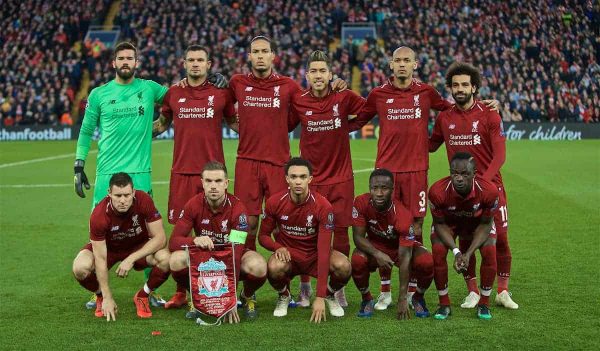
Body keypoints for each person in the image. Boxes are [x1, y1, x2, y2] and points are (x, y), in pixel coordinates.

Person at [73, 42, 169, 309]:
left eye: (130, 58)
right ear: (113, 63)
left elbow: (178, 98)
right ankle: (101, 293)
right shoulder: (99, 94)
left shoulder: (149, 89)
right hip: (106, 175)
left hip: (140, 175)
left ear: (136, 62)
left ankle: (149, 292)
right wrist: (79, 164)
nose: (126, 62)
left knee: (152, 235)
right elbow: (85, 131)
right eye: (121, 58)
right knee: (101, 232)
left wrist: (209, 83)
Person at [152, 45, 238, 308]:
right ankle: (182, 291)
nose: (196, 64)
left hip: (213, 176)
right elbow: (160, 125)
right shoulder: (173, 94)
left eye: (201, 60)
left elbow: (236, 124)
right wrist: (129, 132)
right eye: (191, 60)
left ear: (209, 64)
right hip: (182, 174)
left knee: (223, 232)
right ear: (183, 62)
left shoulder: (221, 93)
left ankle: (226, 286)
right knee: (180, 235)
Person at [430, 62, 518, 310]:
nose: (460, 89)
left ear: (474, 87)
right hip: (459, 193)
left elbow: (499, 156)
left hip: (491, 188)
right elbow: (430, 144)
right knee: (467, 240)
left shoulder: (490, 114)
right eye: (455, 85)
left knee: (500, 239)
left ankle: (502, 291)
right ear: (450, 88)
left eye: (465, 84)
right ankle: (473, 291)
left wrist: (483, 185)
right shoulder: (445, 118)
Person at [287, 50, 365, 307]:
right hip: (312, 180)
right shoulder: (299, 100)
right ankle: (305, 287)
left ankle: (337, 288)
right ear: (307, 75)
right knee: (307, 235)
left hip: (341, 178)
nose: (318, 75)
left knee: (341, 233)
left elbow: (368, 110)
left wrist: (348, 127)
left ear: (331, 74)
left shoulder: (344, 96)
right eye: (314, 71)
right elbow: (283, 124)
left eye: (323, 71)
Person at [167, 161, 267, 322]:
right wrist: (195, 239)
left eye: (218, 181)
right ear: (202, 183)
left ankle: (246, 296)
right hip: (206, 258)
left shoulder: (238, 210)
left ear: (226, 183)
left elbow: (236, 252)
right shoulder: (193, 204)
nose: (213, 186)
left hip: (233, 255)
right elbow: (173, 243)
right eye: (209, 181)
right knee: (175, 260)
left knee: (259, 266)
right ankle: (198, 297)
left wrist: (230, 299)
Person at [258, 157, 351, 323]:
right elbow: (262, 236)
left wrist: (320, 296)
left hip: (315, 255)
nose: (298, 181)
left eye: (302, 177)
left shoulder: (323, 206)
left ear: (310, 179)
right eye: (293, 177)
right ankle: (284, 295)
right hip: (289, 256)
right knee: (273, 266)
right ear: (287, 179)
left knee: (343, 266)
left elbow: (323, 251)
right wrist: (277, 247)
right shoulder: (274, 202)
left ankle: (330, 294)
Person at [72, 172, 171, 321]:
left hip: (138, 247)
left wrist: (131, 259)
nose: (123, 200)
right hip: (109, 249)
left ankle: (143, 295)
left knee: (166, 259)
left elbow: (160, 238)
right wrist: (107, 297)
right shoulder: (99, 215)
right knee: (80, 268)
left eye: (127, 195)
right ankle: (100, 296)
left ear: (133, 192)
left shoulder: (143, 199)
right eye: (118, 196)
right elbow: (100, 257)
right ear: (109, 194)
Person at [351, 168, 434, 319]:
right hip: (375, 245)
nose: (379, 193)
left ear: (392, 190)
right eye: (374, 188)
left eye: (384, 188)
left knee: (427, 262)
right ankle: (366, 298)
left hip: (399, 248)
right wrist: (377, 254)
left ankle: (417, 297)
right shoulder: (361, 202)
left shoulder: (402, 215)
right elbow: (358, 238)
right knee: (357, 259)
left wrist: (402, 298)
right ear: (370, 188)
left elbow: (404, 258)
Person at [428, 152, 499, 320]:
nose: (458, 178)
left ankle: (484, 304)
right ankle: (444, 304)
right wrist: (457, 252)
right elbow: (439, 224)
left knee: (489, 250)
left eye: (464, 174)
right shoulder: (437, 191)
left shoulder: (489, 191)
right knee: (438, 251)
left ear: (474, 175)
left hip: (477, 224)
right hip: (448, 225)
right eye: (454, 173)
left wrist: (468, 253)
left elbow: (486, 224)